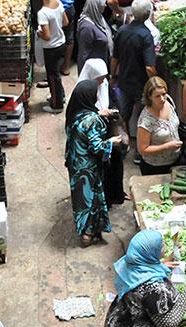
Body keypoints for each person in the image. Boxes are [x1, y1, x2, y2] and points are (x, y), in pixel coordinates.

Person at [65, 80, 122, 247]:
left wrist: (99, 114)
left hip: (75, 163)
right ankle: (89, 234)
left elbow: (81, 132)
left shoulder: (74, 114)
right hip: (89, 167)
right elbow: (97, 147)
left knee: (80, 198)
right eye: (95, 93)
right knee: (92, 199)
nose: (97, 96)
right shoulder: (92, 121)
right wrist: (112, 141)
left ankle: (83, 229)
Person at [76, 58, 129, 207]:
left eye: (103, 78)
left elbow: (113, 101)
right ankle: (105, 199)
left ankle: (118, 193)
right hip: (96, 135)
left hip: (109, 129)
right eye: (98, 79)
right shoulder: (83, 90)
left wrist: (113, 112)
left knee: (117, 160)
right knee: (102, 166)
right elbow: (82, 115)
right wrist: (99, 114)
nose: (101, 82)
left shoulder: (104, 84)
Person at [110, 0, 157, 164]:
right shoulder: (146, 36)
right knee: (143, 118)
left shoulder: (122, 31)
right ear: (147, 15)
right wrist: (157, 83)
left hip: (124, 82)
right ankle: (139, 152)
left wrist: (112, 76)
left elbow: (115, 58)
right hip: (140, 85)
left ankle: (121, 146)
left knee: (123, 114)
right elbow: (150, 67)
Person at [137, 77, 182, 175]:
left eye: (164, 94)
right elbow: (142, 149)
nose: (162, 99)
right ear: (149, 97)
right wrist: (167, 146)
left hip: (176, 161)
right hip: (155, 167)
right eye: (157, 96)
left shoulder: (168, 102)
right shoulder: (146, 120)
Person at [37, 0, 69, 113]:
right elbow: (65, 22)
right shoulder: (59, 4)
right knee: (56, 74)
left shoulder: (42, 13)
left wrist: (39, 33)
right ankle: (61, 96)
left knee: (52, 76)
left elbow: (47, 36)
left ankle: (57, 105)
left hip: (51, 48)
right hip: (61, 43)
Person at [76, 0, 114, 74]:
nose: (105, 5)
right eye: (103, 4)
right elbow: (83, 55)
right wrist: (83, 79)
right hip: (93, 72)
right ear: (95, 6)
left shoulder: (99, 18)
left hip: (102, 66)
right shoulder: (86, 28)